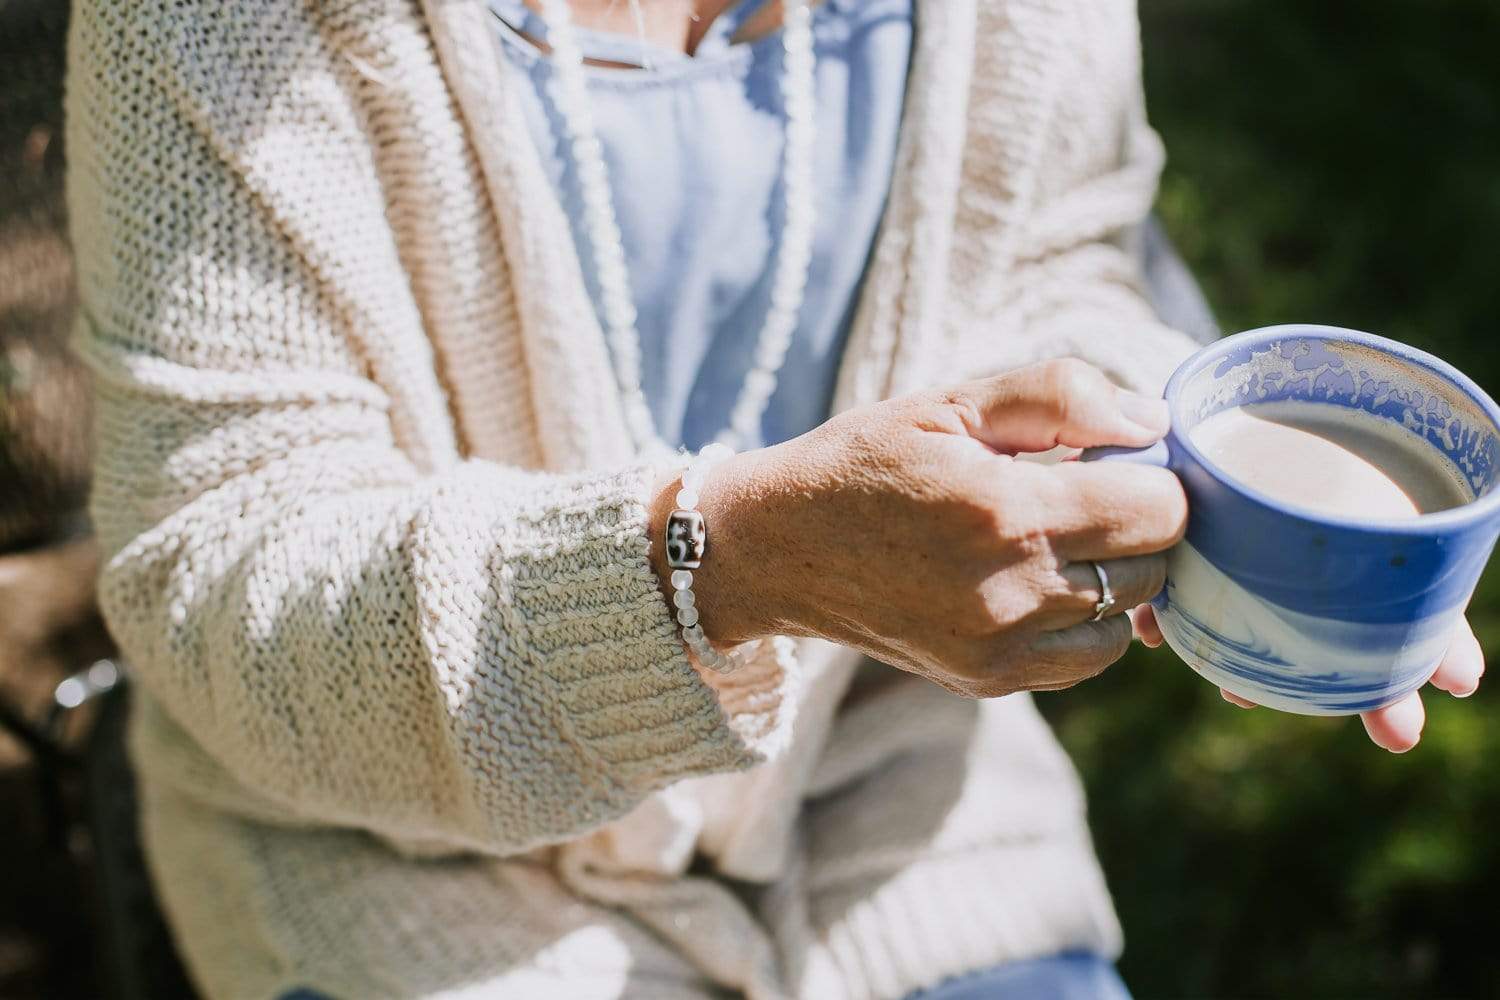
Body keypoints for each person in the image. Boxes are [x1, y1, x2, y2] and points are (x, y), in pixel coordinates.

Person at [64, 1, 1483, 998]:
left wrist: (1178, 471)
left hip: (899, 811)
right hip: (407, 886)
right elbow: (227, 571)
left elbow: (1057, 252)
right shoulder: (208, 25)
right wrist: (725, 567)